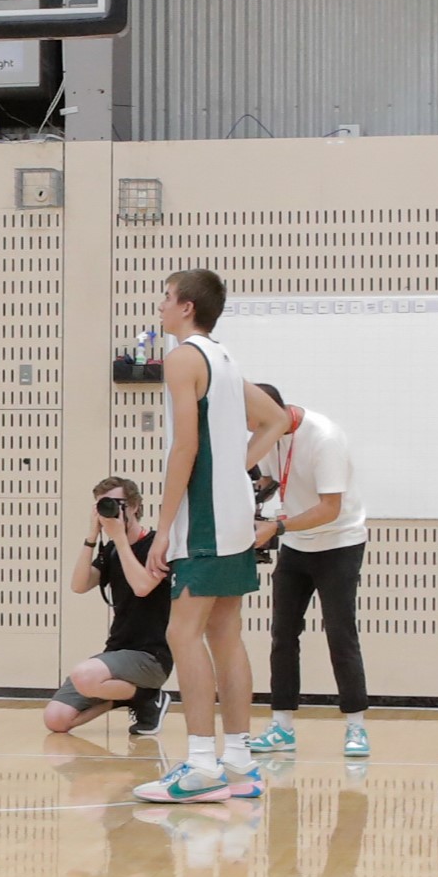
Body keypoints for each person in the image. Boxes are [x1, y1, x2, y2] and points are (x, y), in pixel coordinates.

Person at [137, 270, 287, 805]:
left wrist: (161, 527)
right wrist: (234, 471)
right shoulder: (224, 359)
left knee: (183, 634)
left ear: (185, 306)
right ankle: (241, 764)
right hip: (234, 516)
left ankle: (201, 763)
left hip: (203, 519)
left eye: (165, 296)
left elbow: (185, 448)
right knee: (225, 635)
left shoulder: (182, 359)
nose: (159, 305)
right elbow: (274, 420)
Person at [246, 380, 374, 761]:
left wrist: (276, 527)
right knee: (283, 634)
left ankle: (356, 727)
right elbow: (270, 481)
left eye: (256, 422)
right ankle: (282, 726)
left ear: (275, 411)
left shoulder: (325, 437)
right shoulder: (271, 435)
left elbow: (329, 508)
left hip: (339, 542)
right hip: (298, 545)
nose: (254, 432)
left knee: (340, 633)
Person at [43, 475, 173, 738]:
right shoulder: (111, 548)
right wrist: (92, 537)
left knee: (84, 676)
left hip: (152, 656)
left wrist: (120, 539)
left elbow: (143, 587)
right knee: (56, 720)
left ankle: (149, 695)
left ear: (134, 506)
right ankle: (129, 698)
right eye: (103, 505)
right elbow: (79, 585)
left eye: (116, 503)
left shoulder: (158, 544)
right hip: (117, 652)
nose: (110, 510)